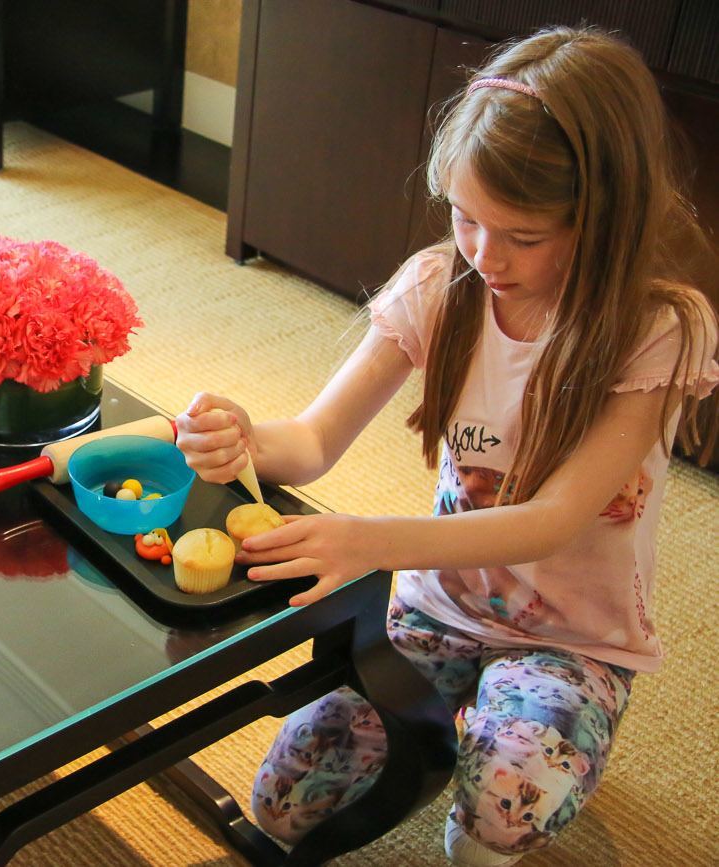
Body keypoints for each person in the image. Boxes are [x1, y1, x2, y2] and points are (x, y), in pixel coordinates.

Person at [175, 26, 718, 867]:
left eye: (523, 236)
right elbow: (314, 439)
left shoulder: (658, 328)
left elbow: (552, 520)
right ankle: (483, 736)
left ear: (603, 218)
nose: (485, 254)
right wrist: (243, 437)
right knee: (282, 797)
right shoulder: (441, 285)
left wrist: (368, 541)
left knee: (505, 799)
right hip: (439, 605)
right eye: (465, 217)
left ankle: (494, 808)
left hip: (573, 636)